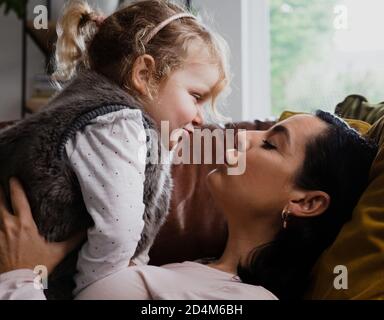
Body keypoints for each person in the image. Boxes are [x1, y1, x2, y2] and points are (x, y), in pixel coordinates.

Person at [0, 111, 377, 300]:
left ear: (306, 202)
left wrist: (19, 277)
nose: (243, 136)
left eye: (269, 144)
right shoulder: (196, 270)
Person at [0, 0, 230, 298]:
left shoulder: (96, 109)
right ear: (145, 74)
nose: (201, 117)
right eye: (196, 96)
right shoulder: (118, 125)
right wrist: (94, 291)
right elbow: (118, 231)